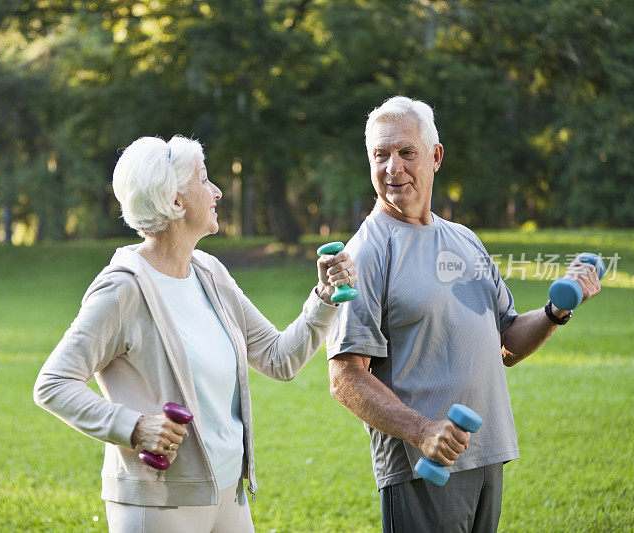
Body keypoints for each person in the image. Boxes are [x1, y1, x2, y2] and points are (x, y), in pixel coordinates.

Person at [33, 135, 356, 533]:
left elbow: (279, 358)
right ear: (174, 202)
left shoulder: (209, 273)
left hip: (228, 493)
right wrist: (134, 427)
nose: (217, 191)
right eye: (204, 181)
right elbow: (53, 383)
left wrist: (324, 298)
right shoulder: (123, 289)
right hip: (160, 505)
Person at [326, 96, 602, 532]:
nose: (392, 167)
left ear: (435, 157)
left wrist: (555, 311)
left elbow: (506, 340)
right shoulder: (367, 251)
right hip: (423, 468)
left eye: (406, 152)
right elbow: (345, 377)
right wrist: (421, 431)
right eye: (380, 155)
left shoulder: (464, 240)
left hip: (486, 455)